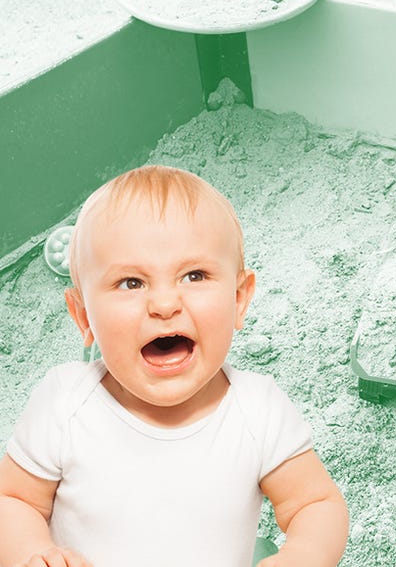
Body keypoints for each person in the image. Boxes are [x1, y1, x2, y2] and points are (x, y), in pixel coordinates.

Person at [0, 166, 349, 567]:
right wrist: (33, 553)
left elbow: (316, 503)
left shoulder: (258, 409)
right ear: (83, 317)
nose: (165, 304)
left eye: (194, 275)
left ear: (238, 299)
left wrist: (303, 555)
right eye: (131, 282)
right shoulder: (64, 404)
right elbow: (14, 500)